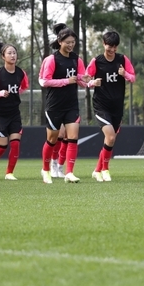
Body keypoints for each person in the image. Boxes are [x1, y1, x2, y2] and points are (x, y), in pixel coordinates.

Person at [38, 24, 90, 184]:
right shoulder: (52, 59)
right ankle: (46, 170)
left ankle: (69, 173)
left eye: (73, 42)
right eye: (68, 42)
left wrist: (89, 81)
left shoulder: (77, 59)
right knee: (52, 139)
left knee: (73, 137)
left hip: (71, 105)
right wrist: (66, 81)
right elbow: (45, 81)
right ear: (60, 41)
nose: (71, 45)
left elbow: (81, 80)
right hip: (54, 105)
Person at [86, 31, 136, 182]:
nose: (112, 50)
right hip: (101, 105)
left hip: (117, 107)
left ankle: (96, 170)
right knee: (111, 136)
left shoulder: (122, 60)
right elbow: (85, 80)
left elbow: (133, 78)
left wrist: (125, 74)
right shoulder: (96, 61)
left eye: (114, 47)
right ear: (103, 44)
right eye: (109, 47)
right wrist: (92, 83)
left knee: (109, 140)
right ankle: (105, 170)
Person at [0, 36, 29, 180]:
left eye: (14, 53)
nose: (12, 55)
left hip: (14, 113)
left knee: (15, 143)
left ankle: (9, 173)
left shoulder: (21, 73)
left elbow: (24, 86)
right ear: (3, 56)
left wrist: (15, 94)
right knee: (2, 146)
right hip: (0, 115)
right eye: (9, 53)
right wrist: (0, 93)